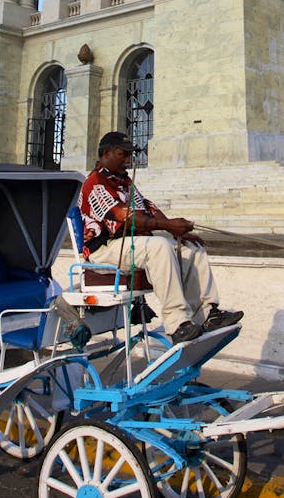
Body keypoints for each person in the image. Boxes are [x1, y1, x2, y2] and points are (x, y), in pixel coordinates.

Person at [79, 131, 243, 345]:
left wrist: (176, 231)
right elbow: (127, 218)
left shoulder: (124, 182)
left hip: (128, 245)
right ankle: (177, 324)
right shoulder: (94, 183)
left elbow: (148, 208)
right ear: (106, 153)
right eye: (123, 154)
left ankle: (207, 314)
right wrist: (167, 225)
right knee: (158, 246)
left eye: (130, 155)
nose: (128, 160)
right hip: (104, 250)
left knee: (191, 247)